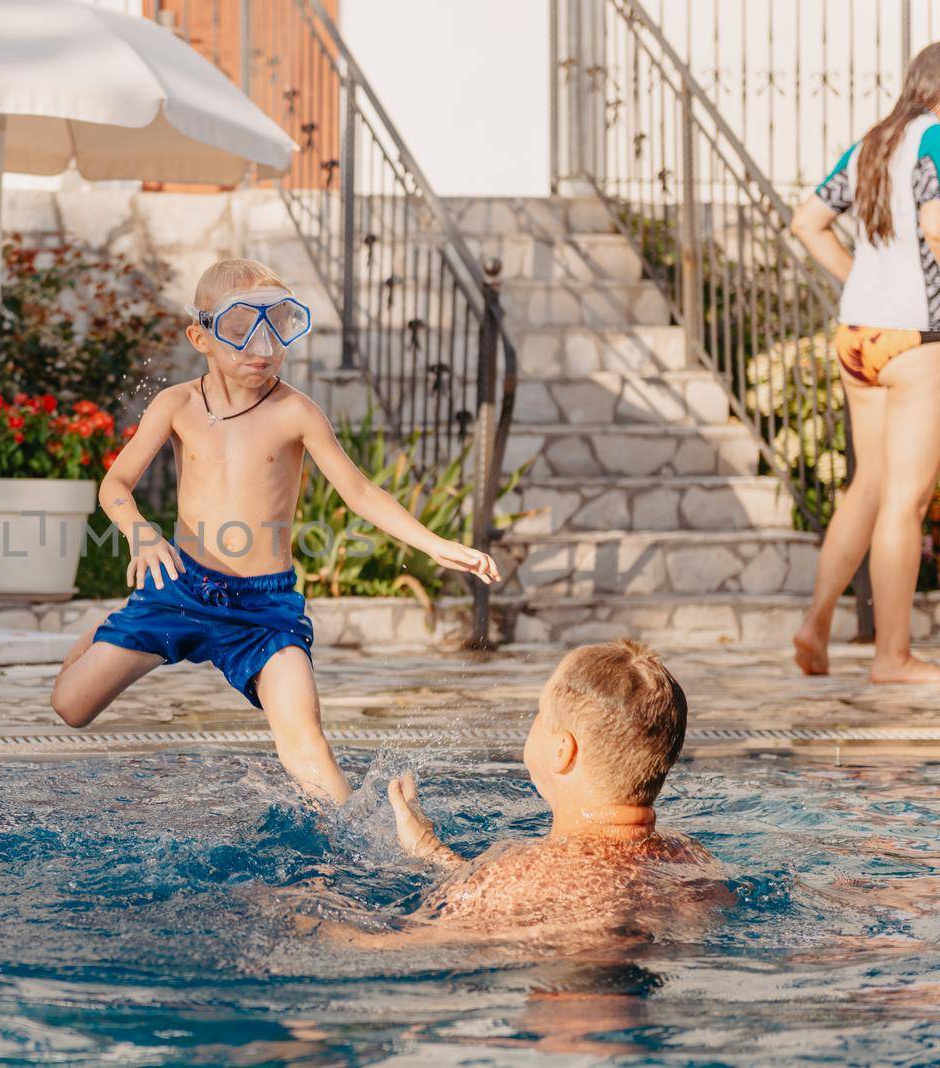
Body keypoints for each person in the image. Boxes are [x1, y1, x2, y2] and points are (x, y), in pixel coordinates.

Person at [48, 258, 500, 804]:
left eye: (279, 327)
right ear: (202, 336)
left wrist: (435, 544)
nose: (263, 348)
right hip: (179, 588)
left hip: (264, 609)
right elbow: (115, 484)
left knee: (305, 741)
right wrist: (139, 531)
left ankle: (357, 846)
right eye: (242, 330)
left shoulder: (296, 412)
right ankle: (112, 626)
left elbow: (359, 492)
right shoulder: (177, 405)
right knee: (70, 708)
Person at [310, 640, 728, 946]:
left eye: (540, 714)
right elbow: (566, 891)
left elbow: (392, 949)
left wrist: (306, 917)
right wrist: (429, 850)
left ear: (563, 750)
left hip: (567, 1033)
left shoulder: (516, 875)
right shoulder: (694, 863)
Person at [791, 42, 940, 683]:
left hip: (859, 334)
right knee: (905, 502)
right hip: (918, 338)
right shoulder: (935, 138)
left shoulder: (873, 143)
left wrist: (861, 284)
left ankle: (816, 624)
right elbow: (936, 226)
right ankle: (893, 657)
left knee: (868, 486)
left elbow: (807, 221)